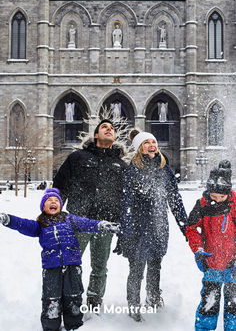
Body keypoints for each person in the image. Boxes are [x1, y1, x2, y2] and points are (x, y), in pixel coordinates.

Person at [0, 188, 119, 331]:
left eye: (56, 200)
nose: (53, 202)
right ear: (43, 207)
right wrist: (9, 219)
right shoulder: (40, 225)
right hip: (51, 268)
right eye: (49, 200)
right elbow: (23, 224)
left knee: (74, 296)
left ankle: (74, 325)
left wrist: (100, 225)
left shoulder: (70, 219)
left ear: (60, 205)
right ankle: (51, 326)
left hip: (72, 266)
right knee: (51, 298)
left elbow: (86, 223)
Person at [53, 119, 127, 309]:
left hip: (106, 222)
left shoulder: (120, 165)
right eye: (104, 127)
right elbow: (60, 185)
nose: (109, 129)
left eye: (112, 128)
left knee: (100, 267)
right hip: (79, 220)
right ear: (95, 135)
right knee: (71, 264)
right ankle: (71, 298)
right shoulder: (78, 157)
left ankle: (94, 301)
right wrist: (54, 211)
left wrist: (122, 226)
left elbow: (125, 198)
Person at [118, 129, 188, 322]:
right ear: (140, 148)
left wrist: (185, 226)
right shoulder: (132, 169)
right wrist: (125, 231)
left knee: (156, 265)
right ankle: (134, 305)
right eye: (146, 142)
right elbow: (127, 202)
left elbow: (174, 198)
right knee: (137, 269)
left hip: (159, 226)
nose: (151, 145)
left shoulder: (164, 168)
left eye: (153, 142)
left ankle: (154, 298)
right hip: (138, 228)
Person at [186, 160, 236, 331]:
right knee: (209, 303)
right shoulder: (201, 205)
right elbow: (191, 229)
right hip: (212, 262)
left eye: (221, 197)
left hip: (233, 264)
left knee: (234, 304)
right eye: (213, 196)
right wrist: (198, 250)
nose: (217, 200)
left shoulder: (235, 203)